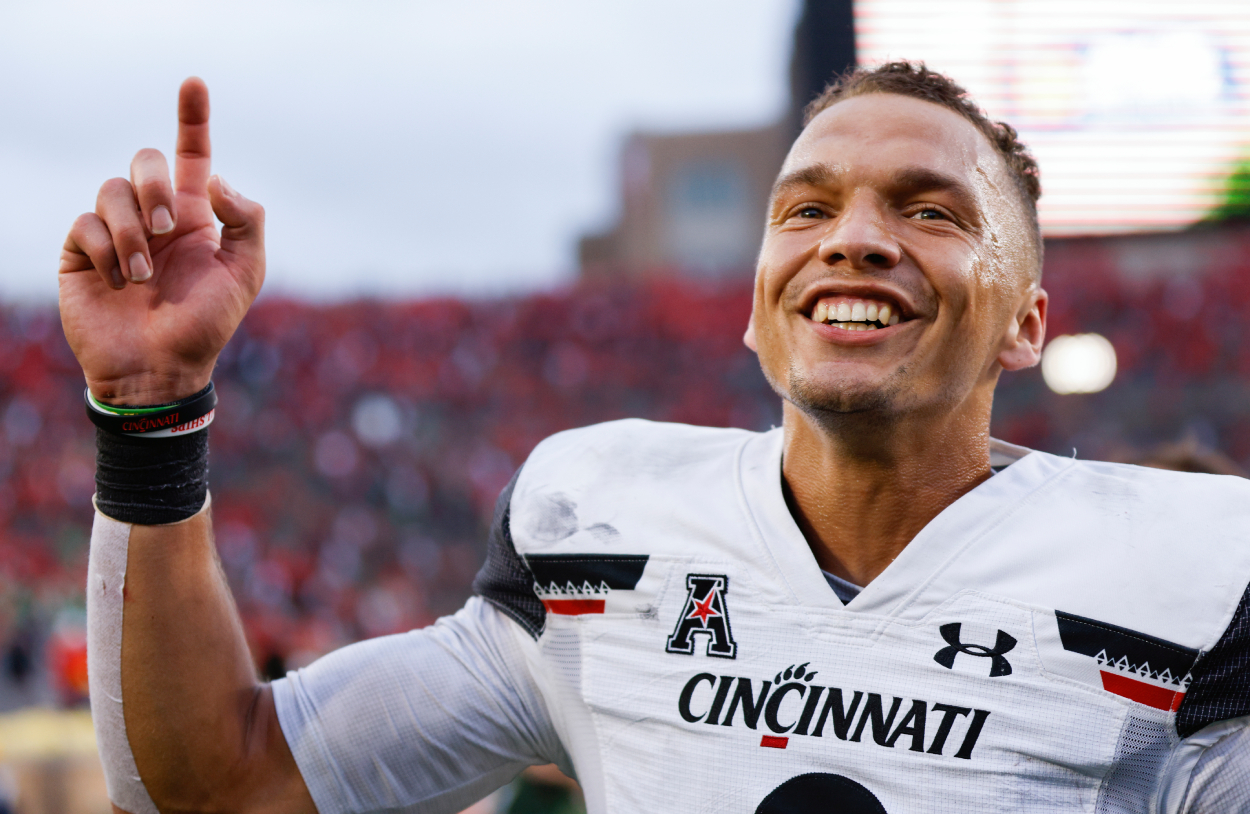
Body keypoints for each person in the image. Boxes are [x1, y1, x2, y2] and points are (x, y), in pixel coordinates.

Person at [60, 63, 1248, 814]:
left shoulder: (1190, 582)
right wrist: (152, 406)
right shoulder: (597, 524)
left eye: (927, 210)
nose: (853, 240)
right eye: (807, 209)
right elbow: (216, 782)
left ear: (1025, 322)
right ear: (753, 304)